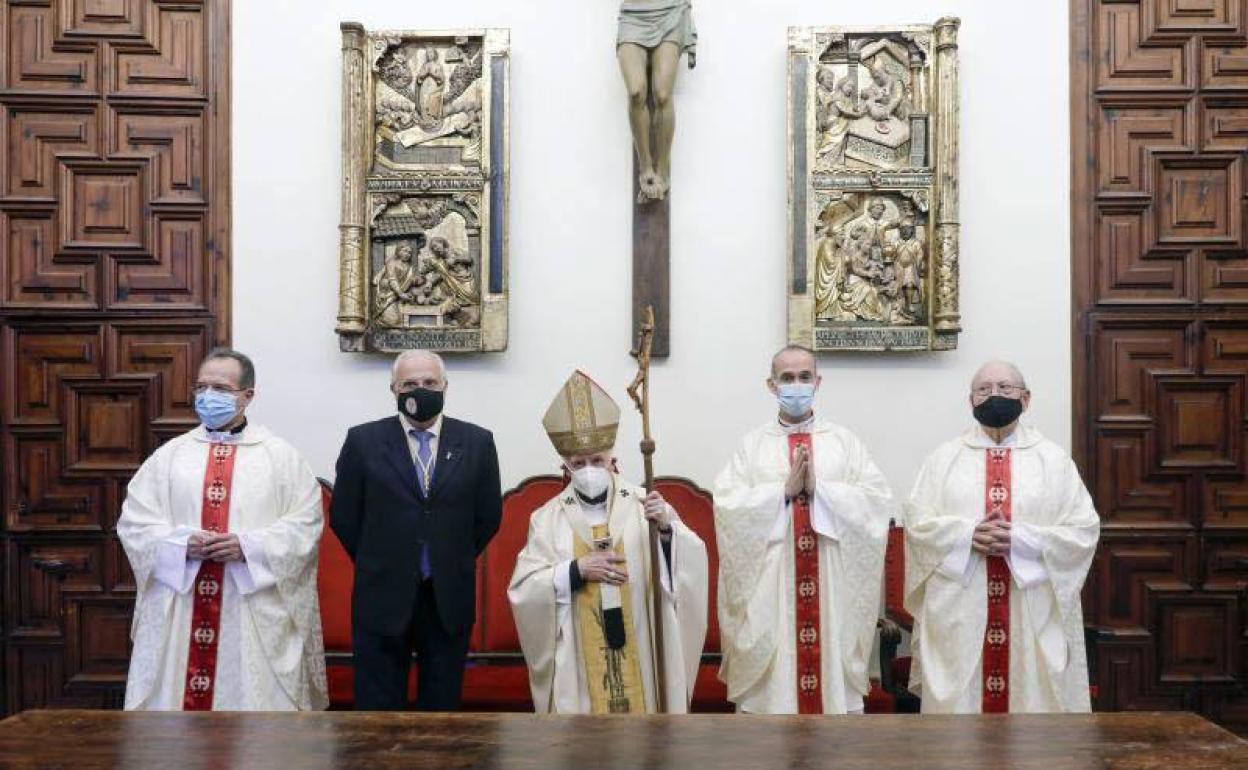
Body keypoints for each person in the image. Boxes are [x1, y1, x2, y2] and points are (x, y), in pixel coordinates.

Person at [118, 348, 327, 711]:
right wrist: (181, 544)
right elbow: (135, 522)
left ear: (248, 396)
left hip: (251, 606)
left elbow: (305, 525)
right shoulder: (170, 456)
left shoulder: (281, 458)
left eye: (221, 388)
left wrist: (249, 548)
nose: (208, 396)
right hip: (182, 605)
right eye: (201, 386)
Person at [905, 361, 1100, 713]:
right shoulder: (943, 459)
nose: (994, 395)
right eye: (984, 389)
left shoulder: (1053, 461)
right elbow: (917, 524)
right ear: (971, 400)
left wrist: (1021, 540)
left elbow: (1083, 530)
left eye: (1005, 388)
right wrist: (967, 536)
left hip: (1030, 608)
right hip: (961, 608)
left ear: (1026, 399)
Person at [508, 370, 708, 713]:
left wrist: (665, 531)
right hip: (579, 660)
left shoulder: (646, 504)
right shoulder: (547, 517)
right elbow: (524, 588)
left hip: (642, 645)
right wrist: (575, 570)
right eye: (579, 463)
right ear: (565, 467)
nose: (589, 469)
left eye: (597, 461)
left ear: (612, 459)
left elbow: (690, 563)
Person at [714, 346, 893, 713]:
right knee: (773, 698)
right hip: (773, 587)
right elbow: (728, 510)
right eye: (787, 378)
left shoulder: (844, 443)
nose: (796, 385)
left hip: (831, 584)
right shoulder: (752, 447)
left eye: (804, 377)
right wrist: (782, 493)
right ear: (771, 385)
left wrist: (820, 491)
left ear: (818, 381)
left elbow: (876, 503)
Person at [330, 349, 502, 710]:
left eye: (429, 383)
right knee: (377, 709)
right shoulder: (363, 442)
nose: (420, 390)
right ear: (393, 389)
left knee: (442, 710)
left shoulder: (477, 442)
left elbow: (487, 516)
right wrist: (381, 559)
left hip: (447, 598)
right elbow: (345, 516)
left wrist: (445, 556)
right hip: (381, 594)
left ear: (445, 387)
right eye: (410, 383)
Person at [617, 0, 697, 201]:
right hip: (632, 14)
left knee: (662, 94)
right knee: (636, 91)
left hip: (670, 11)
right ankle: (645, 167)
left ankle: (662, 172)